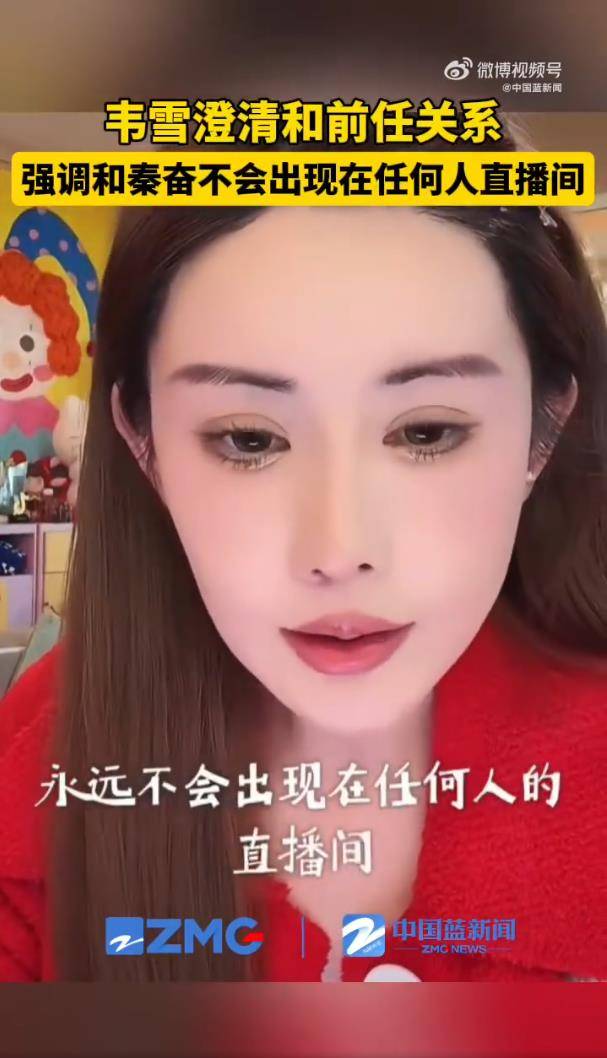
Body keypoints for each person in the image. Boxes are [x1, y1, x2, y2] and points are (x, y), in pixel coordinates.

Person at [0, 131, 606, 983]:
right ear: (144, 442)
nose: (339, 551)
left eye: (426, 432)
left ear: (542, 430)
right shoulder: (40, 768)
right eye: (249, 439)